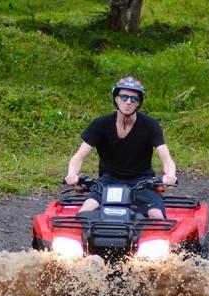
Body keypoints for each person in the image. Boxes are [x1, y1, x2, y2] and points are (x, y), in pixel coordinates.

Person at [65, 76, 178, 219]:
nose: (128, 102)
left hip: (142, 182)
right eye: (124, 97)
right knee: (85, 212)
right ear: (116, 99)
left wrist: (170, 175)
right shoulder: (100, 124)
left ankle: (163, 242)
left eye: (134, 99)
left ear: (139, 103)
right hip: (108, 181)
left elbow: (166, 157)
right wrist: (72, 174)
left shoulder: (150, 125)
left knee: (156, 216)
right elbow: (79, 156)